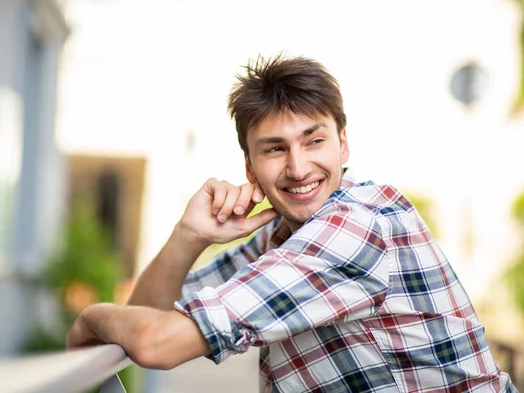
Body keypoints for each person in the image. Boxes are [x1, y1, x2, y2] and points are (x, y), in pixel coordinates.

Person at [66, 54, 516, 392]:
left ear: (343, 144)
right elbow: (150, 320)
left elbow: (155, 343)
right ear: (250, 166)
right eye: (275, 149)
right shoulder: (280, 236)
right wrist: (190, 236)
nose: (299, 168)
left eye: (314, 141)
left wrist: (91, 316)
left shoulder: (354, 226)